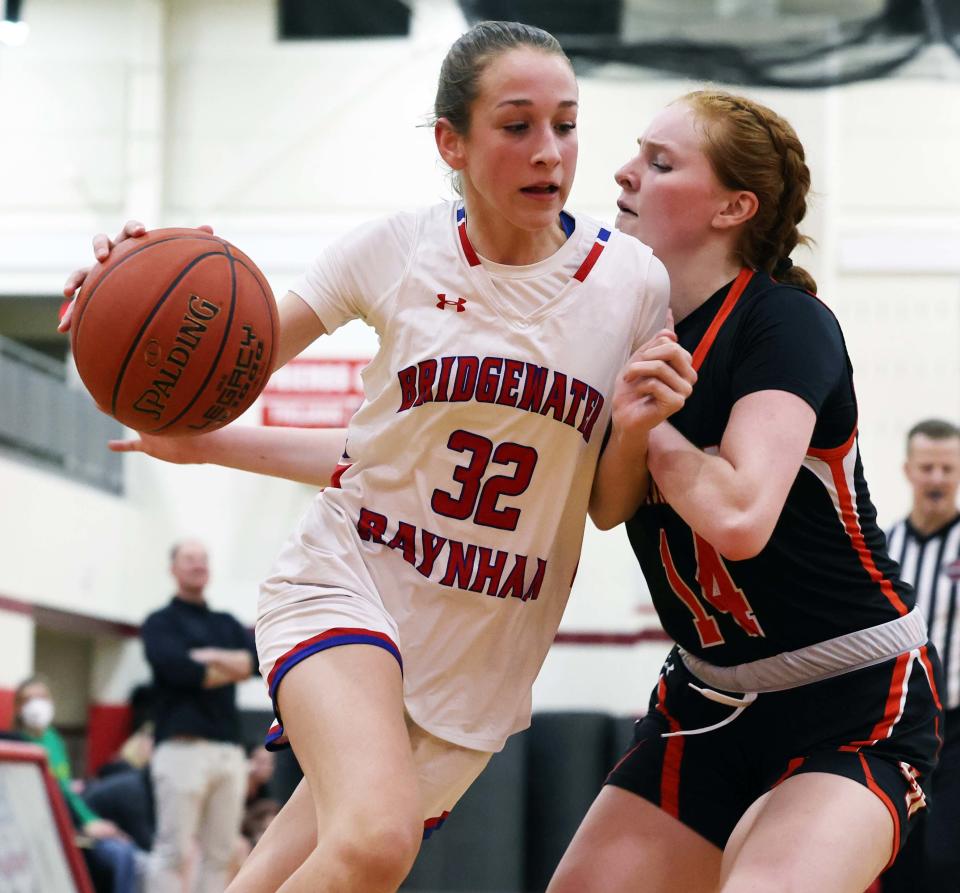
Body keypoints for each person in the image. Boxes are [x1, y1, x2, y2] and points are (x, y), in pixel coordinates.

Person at [60, 20, 696, 892]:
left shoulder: (634, 282)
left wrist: (632, 424)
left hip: (483, 649)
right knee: (375, 840)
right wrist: (130, 289)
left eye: (566, 123)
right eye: (517, 125)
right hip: (349, 580)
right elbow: (224, 369)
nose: (550, 151)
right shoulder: (395, 249)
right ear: (453, 142)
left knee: (293, 867)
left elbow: (606, 503)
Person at [547, 91, 944, 893]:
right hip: (705, 697)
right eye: (636, 154)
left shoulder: (785, 322)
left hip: (852, 697)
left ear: (734, 206)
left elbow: (738, 515)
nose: (624, 171)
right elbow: (608, 506)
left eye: (660, 163)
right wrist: (626, 424)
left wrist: (647, 426)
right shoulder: (630, 327)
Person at [141, 539, 258, 893]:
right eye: (189, 559)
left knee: (221, 854)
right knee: (173, 852)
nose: (198, 565)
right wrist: (231, 665)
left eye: (203, 559)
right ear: (173, 568)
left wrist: (206, 657)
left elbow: (255, 663)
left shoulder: (226, 622)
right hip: (180, 750)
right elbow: (179, 671)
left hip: (229, 752)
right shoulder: (159, 623)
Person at [882, 418, 960, 892]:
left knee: (946, 856)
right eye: (927, 467)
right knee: (898, 854)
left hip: (957, 725)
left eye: (947, 469)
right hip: (899, 728)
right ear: (908, 470)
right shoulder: (884, 547)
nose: (936, 478)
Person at [13, 676, 141, 893]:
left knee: (127, 850)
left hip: (73, 823)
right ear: (17, 707)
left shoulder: (54, 739)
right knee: (118, 855)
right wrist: (82, 827)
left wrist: (93, 821)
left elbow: (66, 791)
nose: (37, 704)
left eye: (42, 697)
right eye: (29, 699)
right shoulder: (16, 742)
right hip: (48, 828)